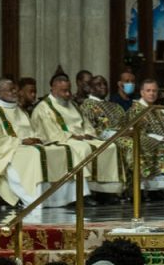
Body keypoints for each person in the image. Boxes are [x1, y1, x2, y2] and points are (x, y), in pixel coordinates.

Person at [0, 77, 73, 208]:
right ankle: (35, 199)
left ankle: (60, 199)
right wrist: (22, 141)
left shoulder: (19, 110)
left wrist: (37, 138)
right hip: (9, 152)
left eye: (15, 89)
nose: (14, 92)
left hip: (29, 146)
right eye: (10, 90)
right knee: (35, 154)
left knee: (60, 150)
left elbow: (32, 130)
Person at [32, 71, 123, 202]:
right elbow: (51, 132)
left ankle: (105, 192)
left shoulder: (72, 104)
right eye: (64, 91)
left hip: (82, 138)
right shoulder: (44, 108)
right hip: (63, 140)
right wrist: (73, 136)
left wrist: (88, 133)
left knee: (110, 147)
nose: (68, 94)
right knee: (82, 149)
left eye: (68, 90)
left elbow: (85, 123)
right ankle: (83, 194)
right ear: (53, 89)